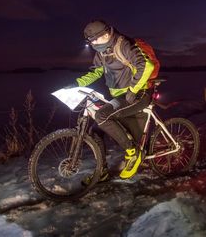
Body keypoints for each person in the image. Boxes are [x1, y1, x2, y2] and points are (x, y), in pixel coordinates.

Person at [67, 20, 156, 182]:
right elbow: (96, 72)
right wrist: (77, 83)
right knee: (95, 131)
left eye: (95, 40)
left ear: (106, 35)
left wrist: (133, 89)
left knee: (102, 116)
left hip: (138, 93)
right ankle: (101, 171)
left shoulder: (123, 45)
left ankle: (133, 152)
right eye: (90, 41)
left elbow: (146, 66)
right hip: (121, 96)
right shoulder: (102, 51)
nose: (93, 44)